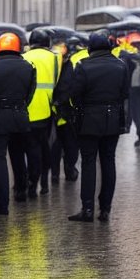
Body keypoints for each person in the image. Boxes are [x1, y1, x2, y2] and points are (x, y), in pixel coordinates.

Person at [59, 32, 130, 223]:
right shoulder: (121, 65)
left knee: (88, 162)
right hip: (113, 119)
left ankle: (88, 209)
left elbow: (75, 95)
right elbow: (125, 93)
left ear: (90, 48)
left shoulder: (83, 66)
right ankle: (105, 209)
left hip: (89, 120)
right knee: (108, 161)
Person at [0, 33, 36, 216]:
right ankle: (21, 191)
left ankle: (1, 204)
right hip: (20, 116)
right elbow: (30, 93)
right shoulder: (28, 67)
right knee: (18, 156)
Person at [21, 28, 59, 196]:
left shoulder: (24, 57)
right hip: (48, 108)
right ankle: (43, 181)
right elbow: (57, 82)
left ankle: (32, 181)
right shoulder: (55, 58)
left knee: (31, 147)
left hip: (27, 109)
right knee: (45, 145)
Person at [49, 37, 87, 182]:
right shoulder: (71, 65)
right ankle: (69, 170)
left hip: (55, 111)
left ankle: (56, 173)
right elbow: (72, 88)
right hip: (66, 112)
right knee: (69, 144)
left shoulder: (54, 63)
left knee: (56, 144)